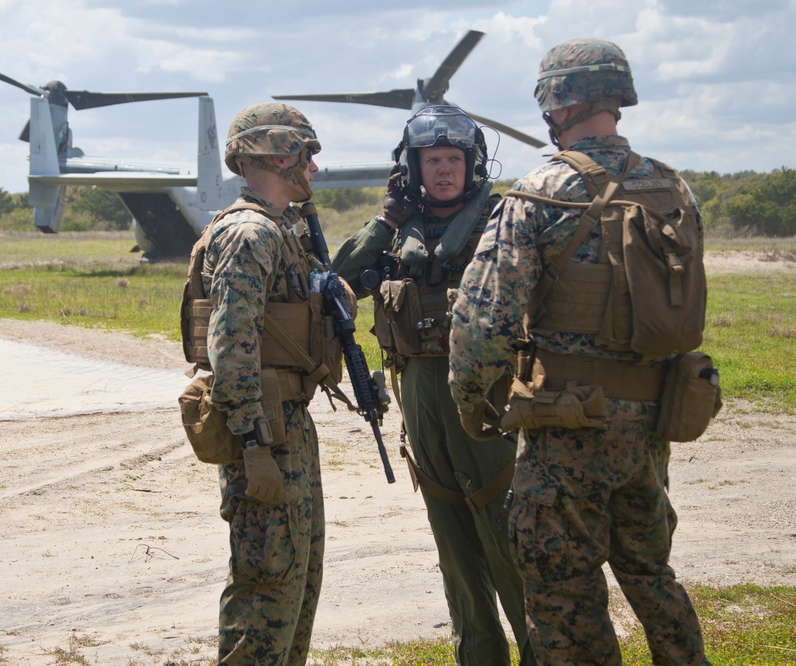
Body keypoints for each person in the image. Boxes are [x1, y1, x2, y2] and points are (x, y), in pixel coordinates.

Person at [447, 38, 711, 665]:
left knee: (565, 594)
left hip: (567, 428)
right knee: (652, 572)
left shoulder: (539, 192)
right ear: (618, 97)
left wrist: (471, 403)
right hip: (651, 424)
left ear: (554, 103)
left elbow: (482, 324)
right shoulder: (673, 188)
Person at [331, 105, 534, 666]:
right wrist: (385, 221)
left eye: (452, 159)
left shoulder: (502, 220)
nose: (443, 170)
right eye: (430, 160)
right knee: (451, 533)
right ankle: (479, 653)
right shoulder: (398, 235)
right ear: (412, 168)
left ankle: (541, 651)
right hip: (418, 393)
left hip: (487, 393)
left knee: (504, 531)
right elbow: (337, 281)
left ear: (471, 164)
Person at [180, 102, 347, 665]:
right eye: (308, 154)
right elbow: (232, 344)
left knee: (298, 583)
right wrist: (254, 446)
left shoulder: (284, 230)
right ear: (280, 154)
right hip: (265, 434)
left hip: (286, 426)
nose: (315, 169)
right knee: (266, 589)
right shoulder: (251, 234)